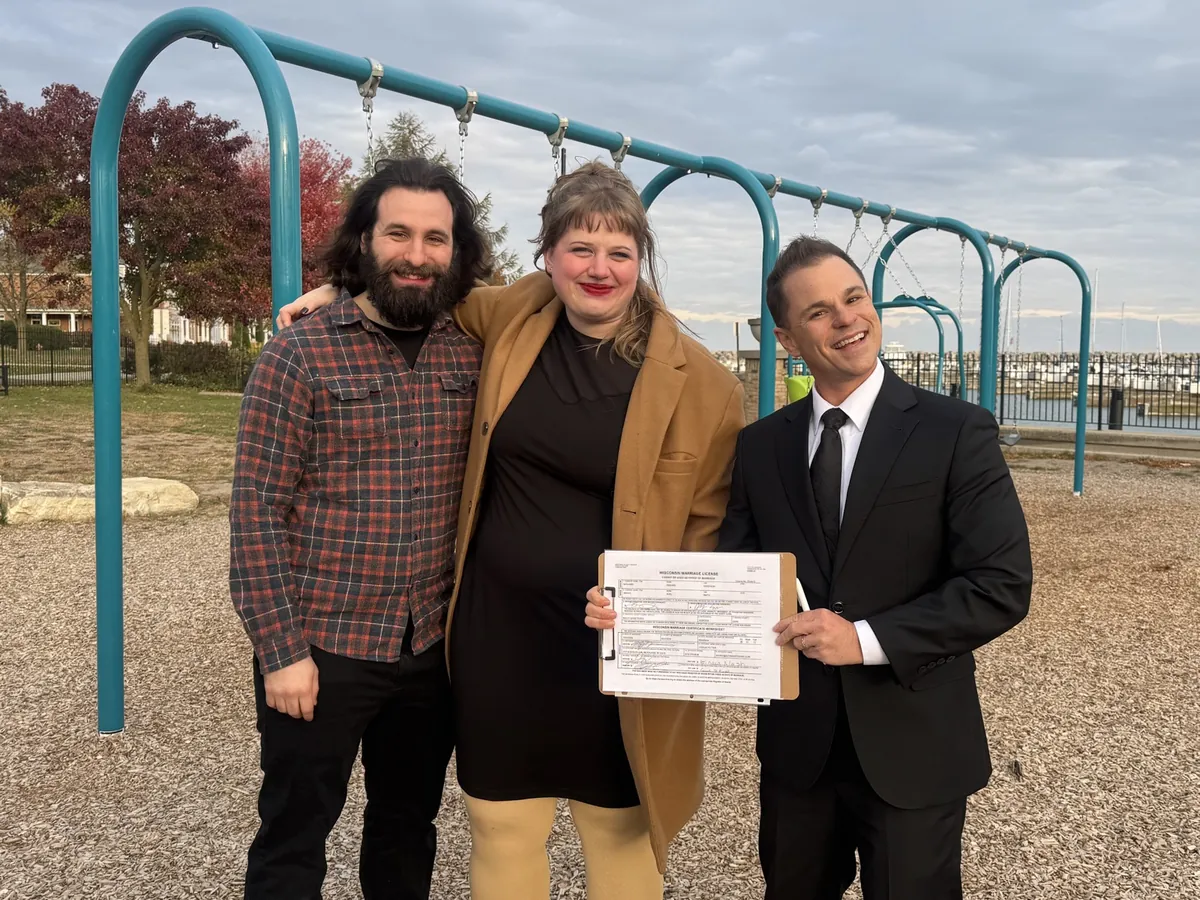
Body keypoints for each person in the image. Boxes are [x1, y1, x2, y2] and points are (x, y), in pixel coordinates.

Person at [278, 161, 746, 900]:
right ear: (548, 256)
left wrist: (653, 613)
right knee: (502, 828)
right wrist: (342, 288)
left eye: (619, 252)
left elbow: (708, 531)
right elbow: (416, 282)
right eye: (579, 249)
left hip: (612, 645)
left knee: (619, 832)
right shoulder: (511, 318)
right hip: (499, 635)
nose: (599, 269)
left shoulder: (708, 386)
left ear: (642, 260)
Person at [715, 235, 1033, 899]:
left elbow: (999, 586)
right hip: (799, 754)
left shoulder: (957, 431)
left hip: (915, 747)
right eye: (819, 312)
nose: (847, 320)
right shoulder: (759, 447)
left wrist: (860, 640)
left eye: (854, 298)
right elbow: (733, 579)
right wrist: (635, 616)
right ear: (788, 337)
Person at [230, 156, 494, 899]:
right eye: (398, 234)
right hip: (323, 645)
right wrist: (281, 652)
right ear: (363, 241)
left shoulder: (475, 349)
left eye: (436, 239)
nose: (417, 255)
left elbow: (558, 294)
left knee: (407, 828)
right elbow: (256, 511)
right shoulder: (298, 353)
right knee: (294, 830)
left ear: (458, 251)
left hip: (430, 645)